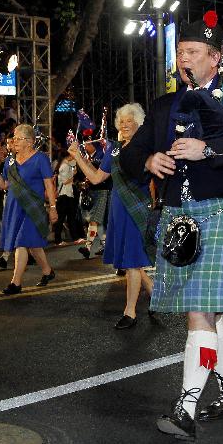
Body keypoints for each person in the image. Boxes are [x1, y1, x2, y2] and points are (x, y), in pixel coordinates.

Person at [120, 10, 223, 441]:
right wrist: (149, 160)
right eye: (179, 52)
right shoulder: (163, 106)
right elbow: (128, 157)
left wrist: (208, 149)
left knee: (199, 314)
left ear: (214, 57)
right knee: (209, 314)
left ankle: (185, 408)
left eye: (191, 52)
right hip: (178, 218)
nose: (183, 59)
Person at [69, 104, 154, 329]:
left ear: (138, 123)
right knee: (130, 259)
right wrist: (78, 156)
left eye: (129, 120)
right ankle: (156, 294)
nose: (125, 124)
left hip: (137, 208)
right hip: (118, 209)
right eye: (122, 121)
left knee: (133, 261)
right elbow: (97, 178)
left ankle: (130, 312)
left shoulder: (146, 148)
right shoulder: (113, 149)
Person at [0, 124, 58, 294]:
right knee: (33, 245)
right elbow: (5, 185)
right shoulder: (9, 161)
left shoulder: (41, 158)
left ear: (29, 141)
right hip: (14, 207)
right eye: (14, 138)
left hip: (33, 208)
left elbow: (48, 184)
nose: (13, 141)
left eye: (17, 138)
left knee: (22, 242)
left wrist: (53, 207)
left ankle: (15, 283)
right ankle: (47, 271)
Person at [77, 136, 110, 259]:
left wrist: (87, 163)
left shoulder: (102, 154)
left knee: (94, 220)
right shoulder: (89, 157)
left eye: (87, 144)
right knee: (97, 222)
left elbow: (99, 175)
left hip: (102, 190)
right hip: (91, 191)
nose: (85, 146)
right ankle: (106, 246)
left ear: (93, 145)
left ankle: (88, 247)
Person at [54, 149, 85, 245]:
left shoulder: (63, 165)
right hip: (65, 195)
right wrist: (74, 175)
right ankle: (60, 239)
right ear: (69, 156)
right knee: (65, 218)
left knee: (67, 217)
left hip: (66, 194)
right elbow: (65, 181)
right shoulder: (65, 166)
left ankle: (72, 237)